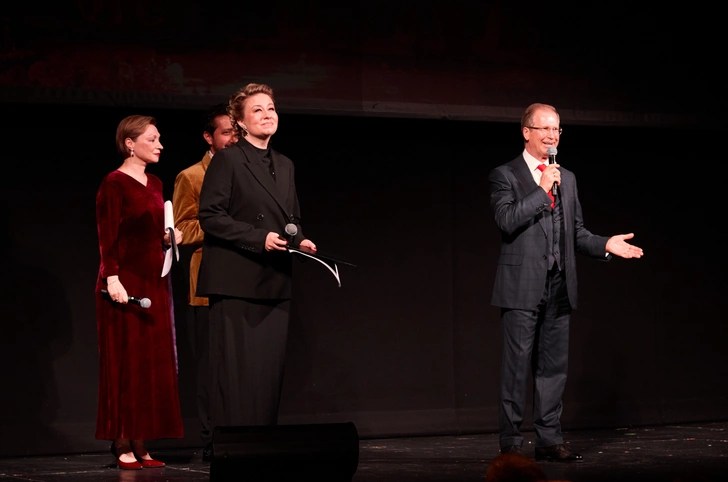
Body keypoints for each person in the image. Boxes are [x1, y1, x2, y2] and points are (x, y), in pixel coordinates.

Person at [488, 103, 643, 462]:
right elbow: (506, 220)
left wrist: (605, 244)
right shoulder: (505, 175)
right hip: (521, 286)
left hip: (559, 285)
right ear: (526, 132)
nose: (551, 136)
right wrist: (541, 190)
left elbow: (576, 233)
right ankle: (511, 443)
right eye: (544, 128)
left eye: (556, 129)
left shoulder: (567, 178)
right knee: (516, 369)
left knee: (553, 369)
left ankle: (548, 440)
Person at [197, 83, 317, 443]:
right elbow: (211, 216)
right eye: (258, 110)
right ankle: (232, 448)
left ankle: (261, 448)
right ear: (241, 122)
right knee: (238, 377)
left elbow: (290, 218)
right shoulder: (229, 160)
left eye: (271, 108)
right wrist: (258, 238)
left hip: (274, 280)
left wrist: (299, 239)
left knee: (267, 375)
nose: (268, 115)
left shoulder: (285, 164)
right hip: (237, 281)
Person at [95, 115, 184, 470]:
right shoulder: (114, 183)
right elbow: (107, 237)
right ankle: (121, 440)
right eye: (152, 139)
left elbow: (152, 232)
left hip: (154, 281)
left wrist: (168, 238)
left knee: (150, 364)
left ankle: (141, 440)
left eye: (159, 138)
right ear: (130, 143)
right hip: (123, 282)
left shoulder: (156, 182)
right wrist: (112, 279)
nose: (160, 145)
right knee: (126, 363)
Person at [172, 103, 236, 460]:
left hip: (244, 281)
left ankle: (242, 437)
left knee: (240, 369)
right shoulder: (192, 176)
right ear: (209, 137)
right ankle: (211, 440)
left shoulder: (245, 172)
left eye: (237, 132)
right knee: (211, 370)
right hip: (207, 284)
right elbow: (182, 228)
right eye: (226, 132)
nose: (233, 139)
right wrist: (225, 227)